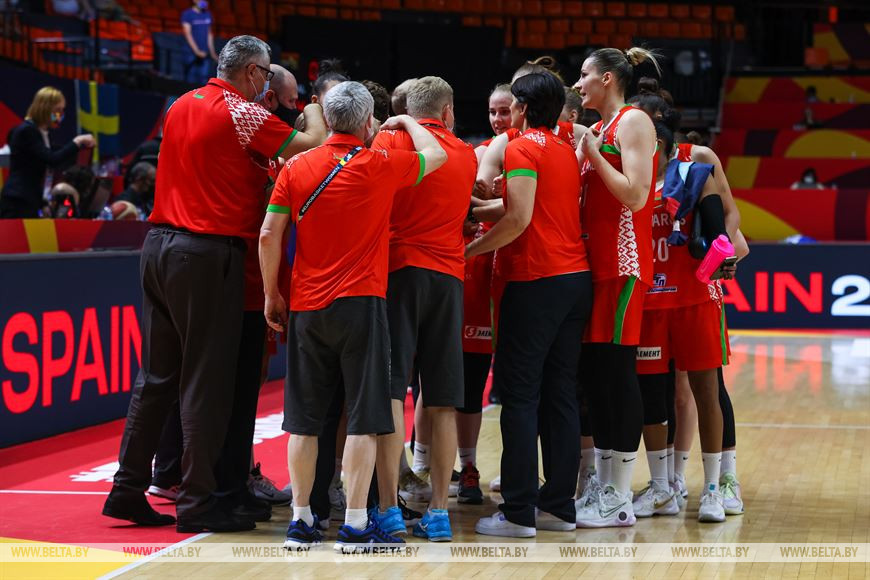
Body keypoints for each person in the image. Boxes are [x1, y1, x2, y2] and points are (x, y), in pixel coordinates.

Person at [101, 35, 326, 534]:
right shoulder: (241, 111)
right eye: (265, 74)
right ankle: (198, 502)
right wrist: (311, 108)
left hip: (158, 245)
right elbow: (311, 144)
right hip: (204, 253)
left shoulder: (180, 103)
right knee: (205, 381)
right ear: (252, 73)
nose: (265, 84)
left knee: (156, 378)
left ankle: (127, 488)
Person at [259, 80, 447, 552]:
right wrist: (404, 121)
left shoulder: (296, 167)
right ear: (367, 122)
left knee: (303, 421)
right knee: (363, 417)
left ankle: (302, 520)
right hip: (362, 305)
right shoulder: (379, 163)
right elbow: (437, 153)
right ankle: (358, 523)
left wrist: (271, 294)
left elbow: (268, 234)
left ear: (327, 118)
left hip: (307, 306)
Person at [469, 73, 592, 538]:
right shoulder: (564, 147)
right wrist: (475, 210)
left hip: (534, 280)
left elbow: (518, 218)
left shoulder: (521, 149)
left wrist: (468, 252)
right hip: (573, 281)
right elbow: (529, 208)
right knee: (560, 394)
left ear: (521, 108)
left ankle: (518, 512)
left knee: (520, 397)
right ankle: (559, 506)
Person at [370, 76, 476, 542]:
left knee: (393, 392)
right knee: (442, 399)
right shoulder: (467, 154)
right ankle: (438, 513)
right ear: (448, 111)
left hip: (397, 272)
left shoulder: (387, 141)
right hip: (449, 278)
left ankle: (388, 509)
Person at [571, 47, 660, 528]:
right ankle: (604, 487)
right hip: (592, 266)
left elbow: (636, 194)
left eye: (584, 75)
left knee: (618, 374)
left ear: (607, 78)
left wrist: (591, 156)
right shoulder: (600, 129)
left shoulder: (634, 121)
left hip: (623, 265)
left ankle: (620, 495)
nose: (577, 83)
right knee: (597, 379)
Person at [0, 86, 94, 218]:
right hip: (17, 201)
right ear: (45, 108)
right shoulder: (26, 131)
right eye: (57, 110)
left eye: (62, 110)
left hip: (31, 200)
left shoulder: (44, 134)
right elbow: (52, 159)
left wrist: (42, 203)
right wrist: (77, 142)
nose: (60, 115)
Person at [181, 1, 218, 85]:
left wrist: (212, 53)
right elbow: (188, 34)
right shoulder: (187, 14)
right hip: (190, 54)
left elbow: (209, 34)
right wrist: (197, 51)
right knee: (189, 81)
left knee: (203, 80)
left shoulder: (208, 14)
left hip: (205, 54)